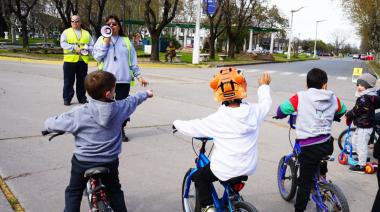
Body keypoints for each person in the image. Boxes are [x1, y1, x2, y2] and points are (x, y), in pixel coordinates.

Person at [43, 70, 153, 212]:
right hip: (109, 160)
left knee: (73, 192)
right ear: (108, 94)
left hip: (83, 161)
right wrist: (146, 94)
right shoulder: (120, 108)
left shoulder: (78, 113)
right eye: (114, 88)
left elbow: (51, 124)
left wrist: (48, 125)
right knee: (115, 191)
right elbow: (133, 100)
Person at [173, 67, 272, 211]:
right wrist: (264, 86)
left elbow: (194, 126)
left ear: (218, 91)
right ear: (243, 87)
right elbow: (266, 103)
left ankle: (208, 207)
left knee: (200, 177)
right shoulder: (254, 111)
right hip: (248, 166)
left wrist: (176, 123)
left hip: (226, 168)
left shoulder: (218, 119)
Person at [274, 68, 346, 212]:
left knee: (304, 183)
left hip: (309, 147)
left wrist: (280, 115)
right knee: (320, 156)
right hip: (326, 144)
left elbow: (281, 110)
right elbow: (342, 110)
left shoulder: (300, 97)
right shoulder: (333, 98)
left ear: (306, 85)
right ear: (325, 85)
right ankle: (322, 178)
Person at [93, 14, 148, 142]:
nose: (111, 26)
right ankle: (106, 130)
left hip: (124, 80)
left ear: (119, 26)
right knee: (106, 107)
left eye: (114, 24)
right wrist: (106, 42)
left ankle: (120, 130)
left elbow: (133, 61)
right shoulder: (101, 39)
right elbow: (97, 57)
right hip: (107, 80)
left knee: (122, 107)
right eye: (108, 24)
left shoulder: (126, 41)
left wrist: (139, 77)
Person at [345, 73, 380, 173]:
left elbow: (356, 110)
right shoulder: (368, 96)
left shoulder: (365, 99)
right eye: (358, 85)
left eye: (361, 85)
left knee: (361, 145)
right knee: (354, 141)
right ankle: (362, 158)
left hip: (365, 126)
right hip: (362, 124)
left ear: (368, 86)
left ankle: (362, 166)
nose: (358, 87)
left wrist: (348, 114)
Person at [60, 15, 94, 106]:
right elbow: (63, 44)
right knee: (68, 81)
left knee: (82, 81)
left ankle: (82, 98)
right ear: (71, 22)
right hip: (69, 61)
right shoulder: (66, 32)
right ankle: (67, 99)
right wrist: (74, 48)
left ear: (80, 22)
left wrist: (87, 49)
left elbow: (92, 45)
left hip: (82, 61)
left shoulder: (86, 33)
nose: (75, 23)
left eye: (77, 21)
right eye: (73, 21)